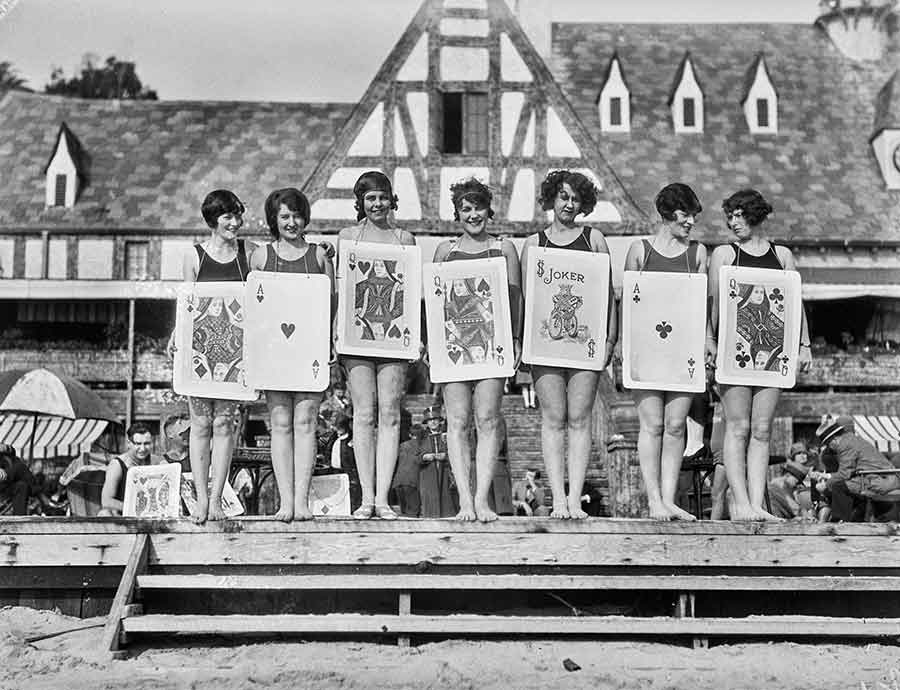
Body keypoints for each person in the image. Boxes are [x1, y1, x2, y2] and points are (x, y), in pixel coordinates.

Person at [707, 189, 812, 521]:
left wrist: (804, 345)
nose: (733, 222)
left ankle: (757, 503)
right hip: (733, 352)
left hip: (771, 353)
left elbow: (797, 304)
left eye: (739, 215)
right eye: (730, 215)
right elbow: (711, 304)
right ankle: (741, 504)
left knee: (762, 429)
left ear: (756, 215)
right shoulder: (724, 254)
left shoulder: (782, 256)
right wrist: (708, 342)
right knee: (737, 428)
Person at [520, 170, 617, 519]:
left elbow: (607, 296)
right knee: (553, 419)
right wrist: (522, 342)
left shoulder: (595, 240)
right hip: (546, 344)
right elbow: (526, 301)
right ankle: (557, 500)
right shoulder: (534, 244)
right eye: (563, 197)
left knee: (579, 419)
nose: (569, 204)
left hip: (584, 344)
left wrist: (609, 339)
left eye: (576, 198)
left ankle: (575, 499)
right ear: (551, 200)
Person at [432, 178, 521, 522]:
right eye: (466, 209)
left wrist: (514, 339)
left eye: (478, 207)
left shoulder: (504, 248)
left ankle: (482, 499)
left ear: (488, 209)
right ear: (457, 214)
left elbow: (514, 298)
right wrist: (434, 342)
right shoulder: (445, 252)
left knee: (486, 419)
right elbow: (436, 301)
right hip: (454, 344)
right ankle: (464, 502)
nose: (473, 214)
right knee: (456, 420)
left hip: (491, 343)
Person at [168, 189, 257, 523]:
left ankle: (219, 498)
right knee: (201, 423)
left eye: (237, 215)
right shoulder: (194, 257)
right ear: (213, 220)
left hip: (236, 351)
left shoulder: (249, 253)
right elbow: (187, 304)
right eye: (227, 217)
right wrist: (178, 332)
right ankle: (201, 501)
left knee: (224, 423)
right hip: (201, 349)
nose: (234, 222)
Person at [248, 187, 335, 522]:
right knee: (281, 424)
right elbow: (254, 309)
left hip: (309, 350)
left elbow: (331, 305)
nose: (292, 222)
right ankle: (285, 502)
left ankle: (302, 501)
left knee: (306, 423)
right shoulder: (261, 257)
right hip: (274, 351)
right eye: (284, 216)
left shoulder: (318, 256)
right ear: (274, 219)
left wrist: (328, 344)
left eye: (297, 215)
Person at [624, 183, 708, 521]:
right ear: (666, 213)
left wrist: (706, 341)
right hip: (647, 349)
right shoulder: (639, 251)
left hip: (682, 350)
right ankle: (654, 499)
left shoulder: (698, 253)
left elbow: (702, 306)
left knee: (676, 425)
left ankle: (669, 499)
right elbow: (629, 305)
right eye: (685, 214)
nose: (690, 222)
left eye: (693, 216)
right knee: (653, 424)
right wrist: (625, 350)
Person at [337, 171, 417, 520]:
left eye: (382, 196)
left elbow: (413, 292)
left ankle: (383, 499)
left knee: (389, 413)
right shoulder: (347, 237)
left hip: (394, 336)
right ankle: (365, 497)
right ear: (361, 202)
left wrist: (416, 332)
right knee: (363, 413)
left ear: (391, 198)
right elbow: (342, 288)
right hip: (357, 335)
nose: (378, 203)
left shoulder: (405, 238)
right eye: (370, 198)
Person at [811, 415, 900, 522]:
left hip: (880, 480)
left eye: (828, 444)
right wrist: (825, 476)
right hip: (875, 477)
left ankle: (839, 522)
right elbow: (847, 471)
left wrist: (826, 484)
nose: (829, 447)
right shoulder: (850, 440)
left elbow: (844, 474)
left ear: (834, 439)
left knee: (838, 486)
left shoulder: (845, 445)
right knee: (842, 486)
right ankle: (849, 520)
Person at [98, 423, 165, 517]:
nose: (142, 449)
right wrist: (135, 508)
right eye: (138, 444)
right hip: (124, 516)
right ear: (129, 443)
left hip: (152, 515)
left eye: (146, 444)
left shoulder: (158, 461)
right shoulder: (117, 465)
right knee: (104, 514)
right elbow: (106, 501)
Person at [416, 404, 458, 518]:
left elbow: (458, 453)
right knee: (430, 499)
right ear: (427, 423)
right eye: (430, 420)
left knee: (446, 498)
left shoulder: (447, 436)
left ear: (440, 421)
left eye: (435, 419)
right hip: (427, 473)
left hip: (445, 473)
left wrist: (446, 456)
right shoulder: (421, 437)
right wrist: (424, 457)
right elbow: (415, 457)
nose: (433, 422)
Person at [330, 413, 361, 512]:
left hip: (348, 471)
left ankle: (352, 507)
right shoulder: (334, 438)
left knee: (350, 491)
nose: (337, 430)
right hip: (335, 471)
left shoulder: (351, 440)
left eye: (339, 427)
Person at [0, 444, 31, 515]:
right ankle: (42, 497)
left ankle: (19, 519)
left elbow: (12, 452)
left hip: (4, 483)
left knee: (22, 486)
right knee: (20, 467)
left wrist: (6, 448)